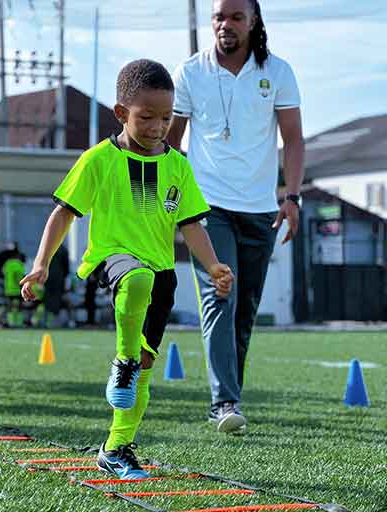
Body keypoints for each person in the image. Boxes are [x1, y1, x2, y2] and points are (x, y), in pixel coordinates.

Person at [21, 59, 234, 479]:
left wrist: (212, 265)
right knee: (136, 285)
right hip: (112, 259)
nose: (158, 126)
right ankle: (123, 359)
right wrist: (41, 263)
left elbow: (190, 224)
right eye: (147, 117)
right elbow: (63, 213)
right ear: (122, 114)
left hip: (162, 274)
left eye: (166, 118)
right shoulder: (98, 159)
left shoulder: (177, 164)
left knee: (146, 367)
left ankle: (117, 447)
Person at [167, 0, 305, 433]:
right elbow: (171, 143)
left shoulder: (278, 72)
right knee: (220, 297)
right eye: (218, 17)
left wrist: (293, 197)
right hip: (208, 208)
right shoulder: (190, 71)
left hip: (261, 209)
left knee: (244, 310)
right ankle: (223, 402)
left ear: (253, 21)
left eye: (235, 17)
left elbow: (294, 140)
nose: (225, 24)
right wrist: (172, 202)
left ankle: (230, 398)